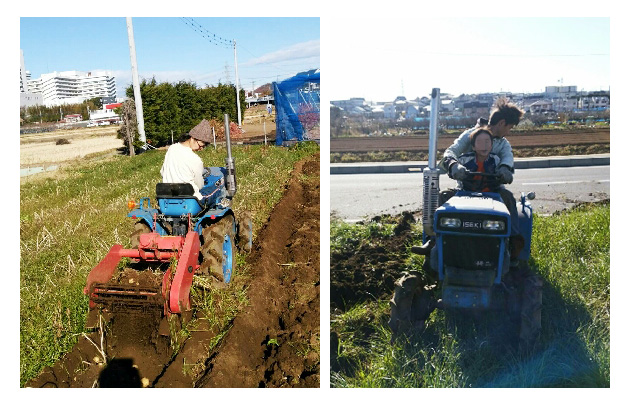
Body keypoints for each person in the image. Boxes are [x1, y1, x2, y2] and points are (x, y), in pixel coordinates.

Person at [413, 98, 525, 261]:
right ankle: (435, 240)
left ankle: (511, 243)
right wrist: (453, 165)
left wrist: (505, 168)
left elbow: (507, 157)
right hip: (465, 189)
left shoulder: (502, 144)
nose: (509, 131)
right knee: (444, 197)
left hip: (492, 190)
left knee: (508, 198)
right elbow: (451, 151)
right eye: (510, 127)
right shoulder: (470, 136)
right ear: (502, 123)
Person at [160, 119, 213, 200]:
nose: (201, 149)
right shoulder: (196, 160)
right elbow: (199, 185)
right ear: (193, 138)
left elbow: (162, 172)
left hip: (168, 198)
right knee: (214, 191)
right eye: (201, 145)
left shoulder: (172, 148)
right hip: (190, 200)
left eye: (204, 147)